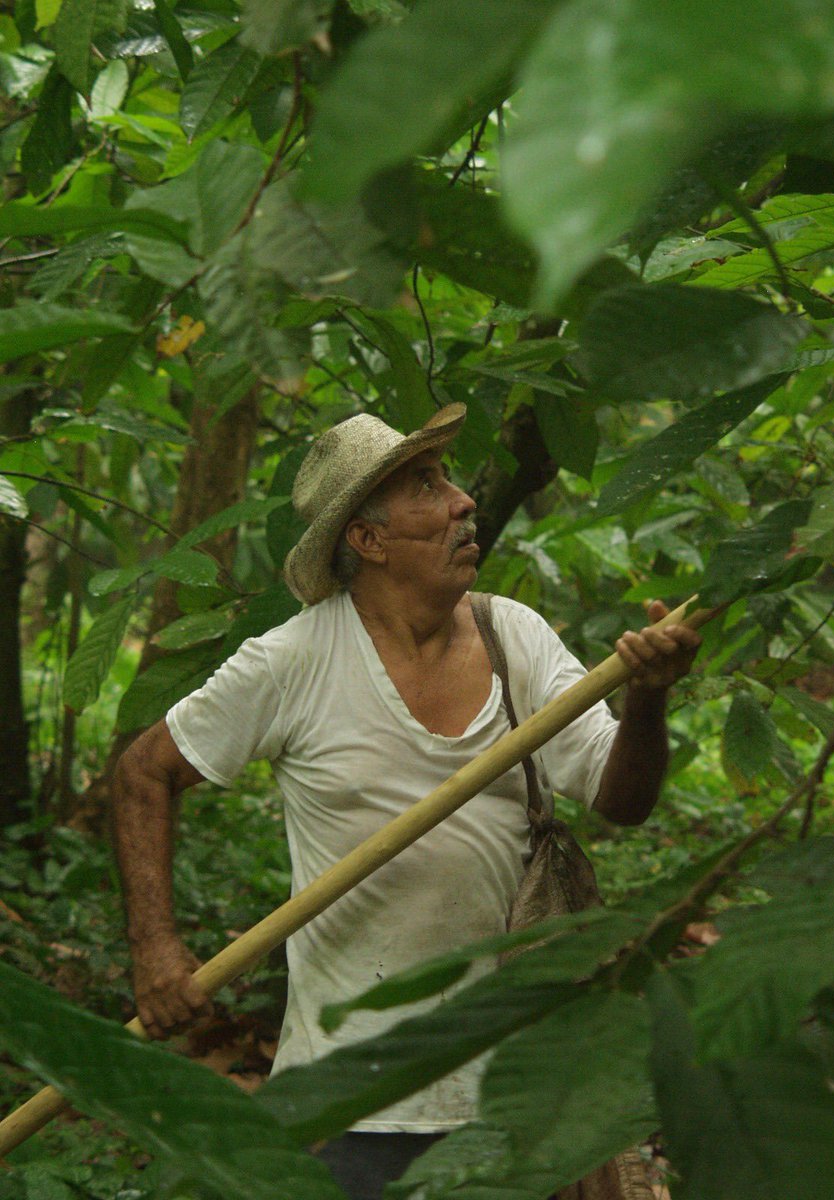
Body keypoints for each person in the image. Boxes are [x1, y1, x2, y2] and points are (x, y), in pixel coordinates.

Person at [111, 402, 701, 1198]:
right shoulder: (293, 662)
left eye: (448, 478)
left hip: (514, 1085)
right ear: (368, 538)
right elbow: (144, 770)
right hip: (352, 1095)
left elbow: (619, 799)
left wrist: (650, 699)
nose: (462, 500)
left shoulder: (512, 637)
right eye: (426, 484)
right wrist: (156, 951)